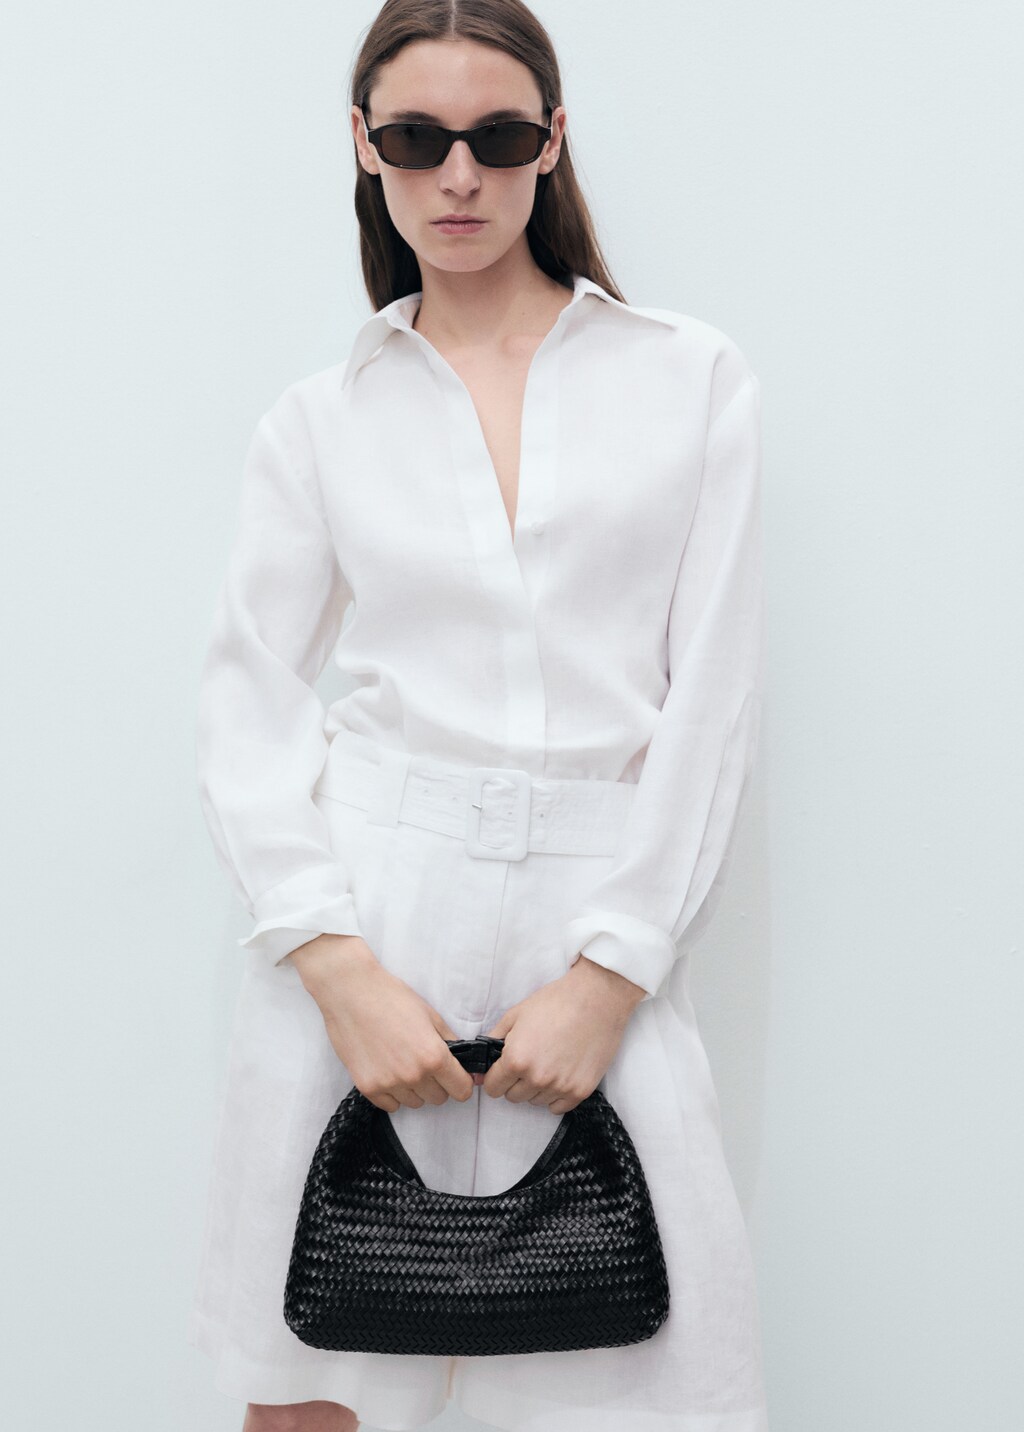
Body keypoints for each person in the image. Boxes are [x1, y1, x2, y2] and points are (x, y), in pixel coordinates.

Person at [187, 2, 769, 1430]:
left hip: (602, 908)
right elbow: (249, 698)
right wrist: (336, 968)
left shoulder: (688, 378)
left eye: (498, 137)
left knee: (639, 1387)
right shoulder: (320, 419)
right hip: (368, 906)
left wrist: (611, 976)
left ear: (552, 143)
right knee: (312, 1393)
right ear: (364, 146)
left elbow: (712, 703)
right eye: (417, 137)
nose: (459, 175)